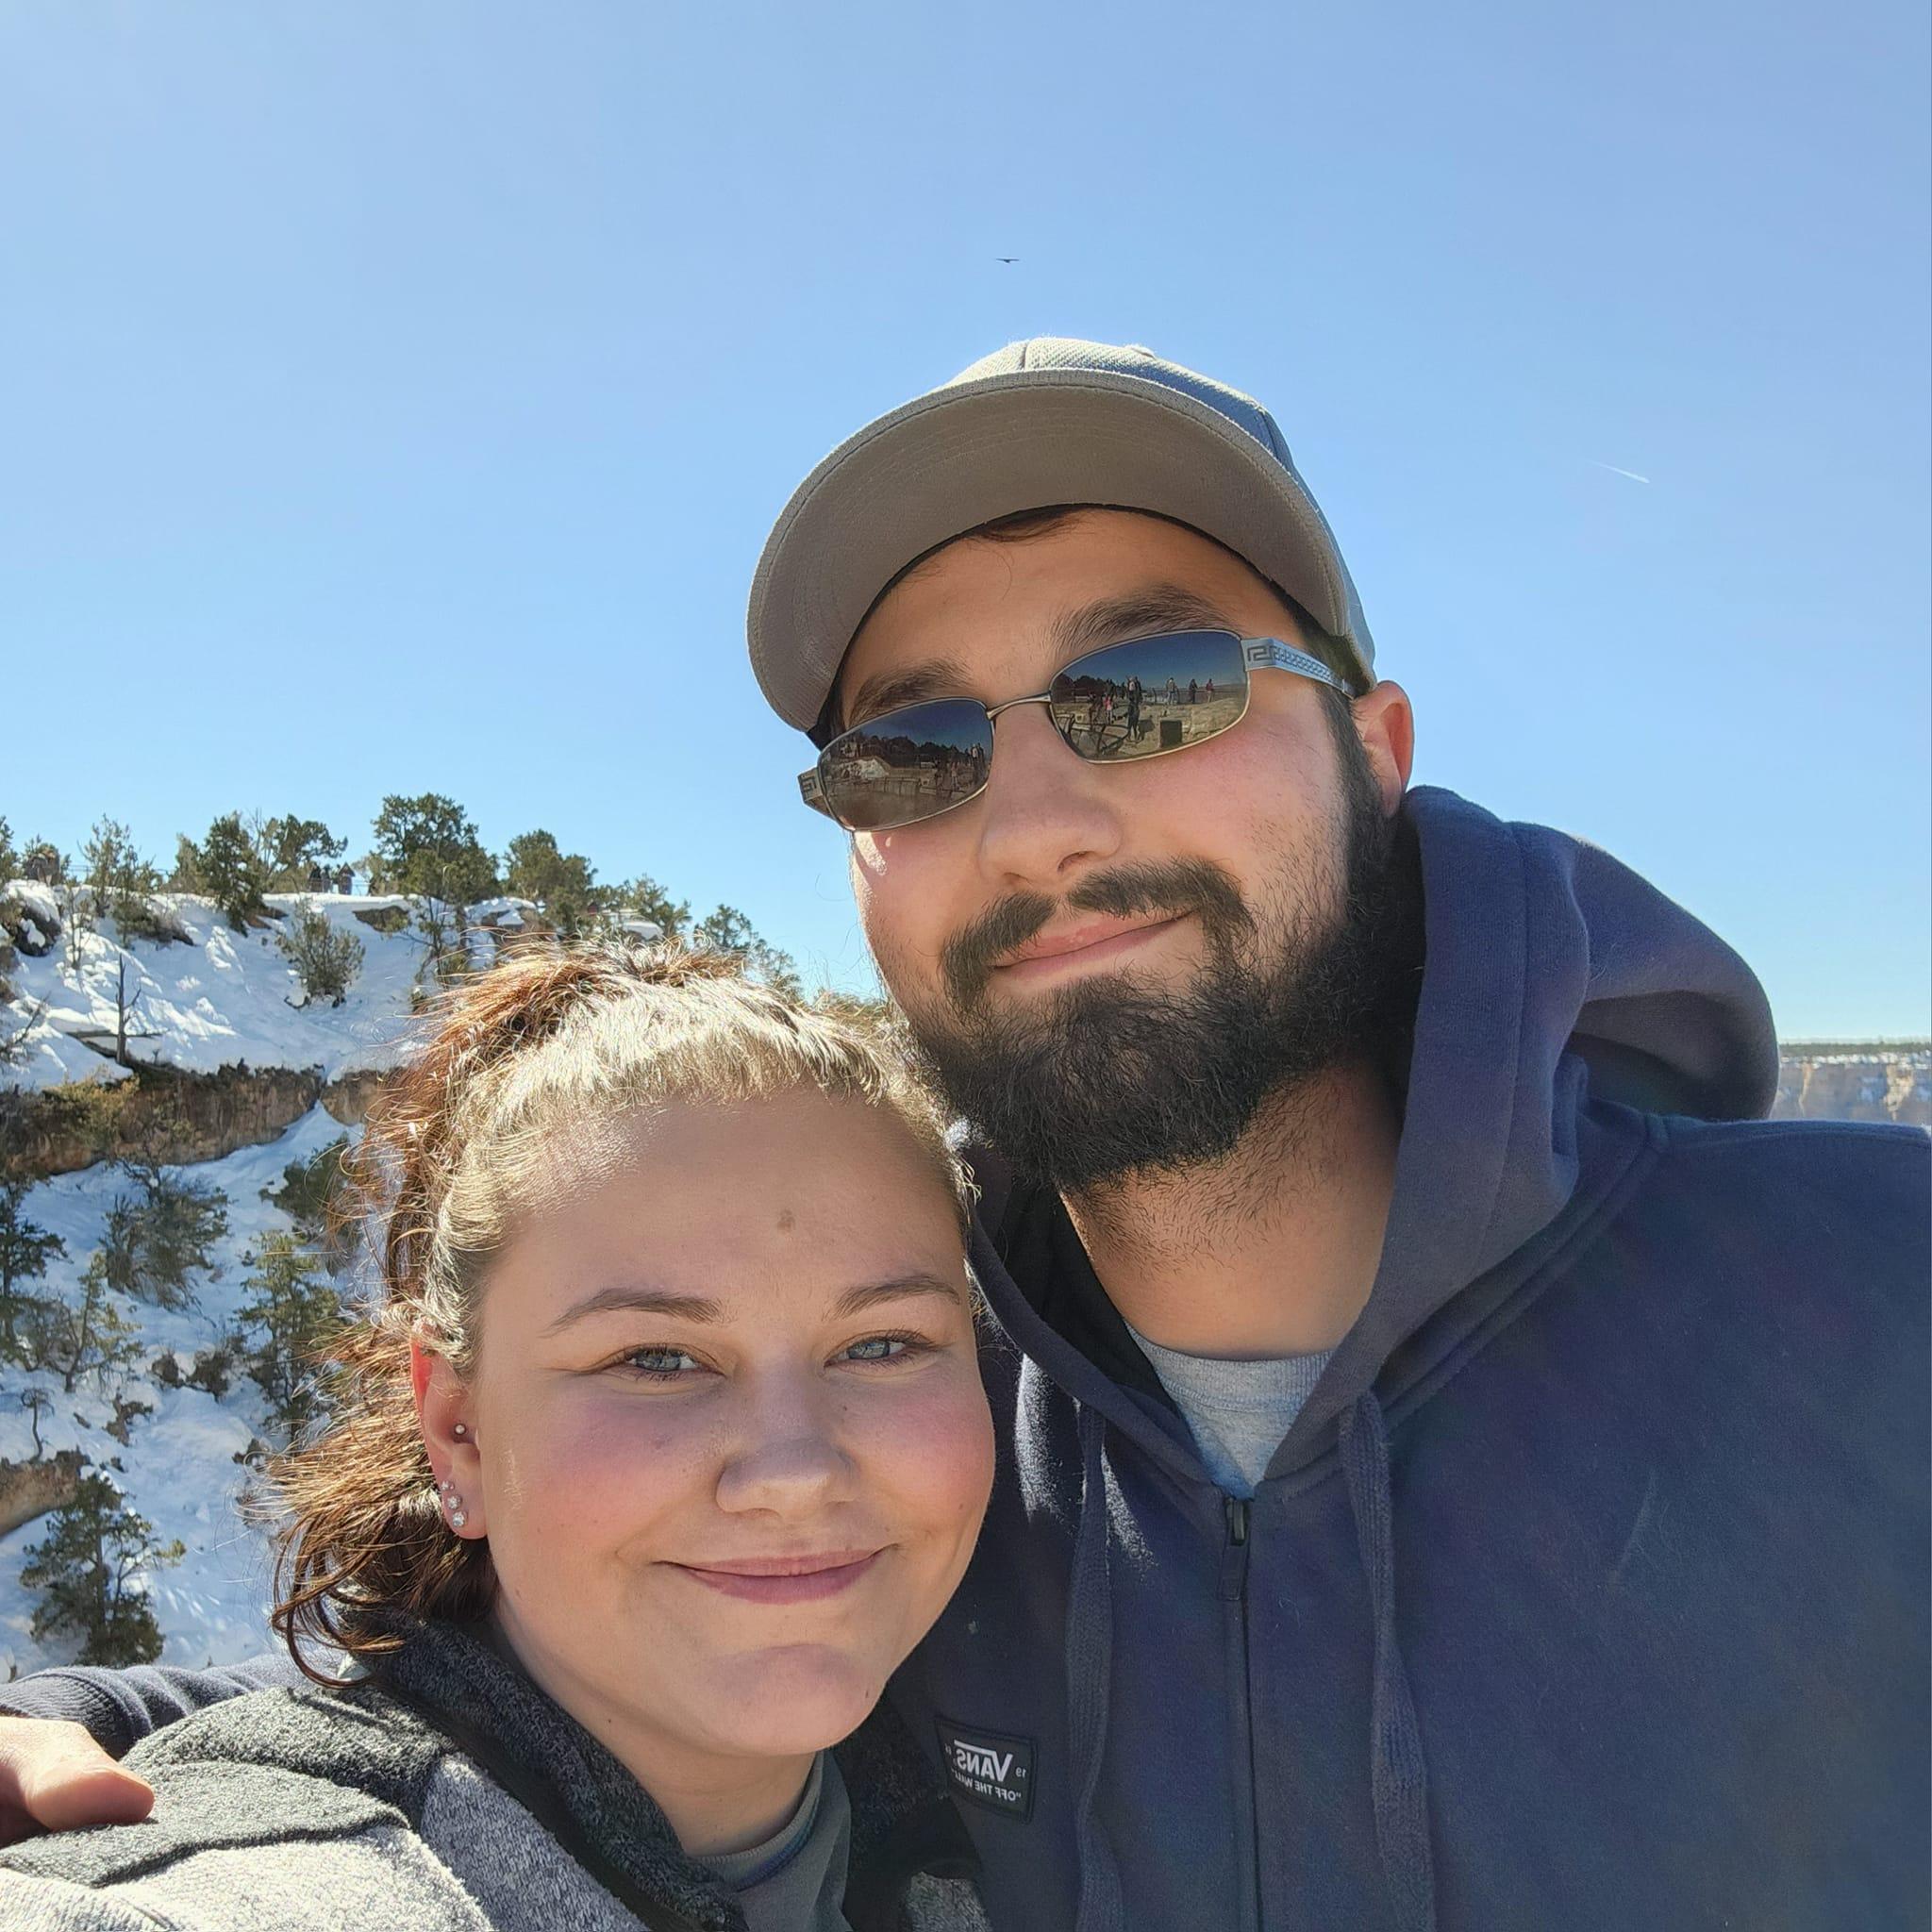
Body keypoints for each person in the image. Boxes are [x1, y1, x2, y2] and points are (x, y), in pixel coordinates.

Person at [4, 339, 1926, 1931]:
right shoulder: (909, 1449)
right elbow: (509, 1712)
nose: (1033, 824)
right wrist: (65, 1716)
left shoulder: (1868, 1317)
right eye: (912, 750)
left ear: (1375, 744)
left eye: (1152, 691)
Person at [1, 944, 994, 1931]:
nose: (794, 1471)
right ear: (458, 1433)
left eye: (880, 1342)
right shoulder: (299, 1877)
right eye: (655, 1357)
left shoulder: (998, 1739)